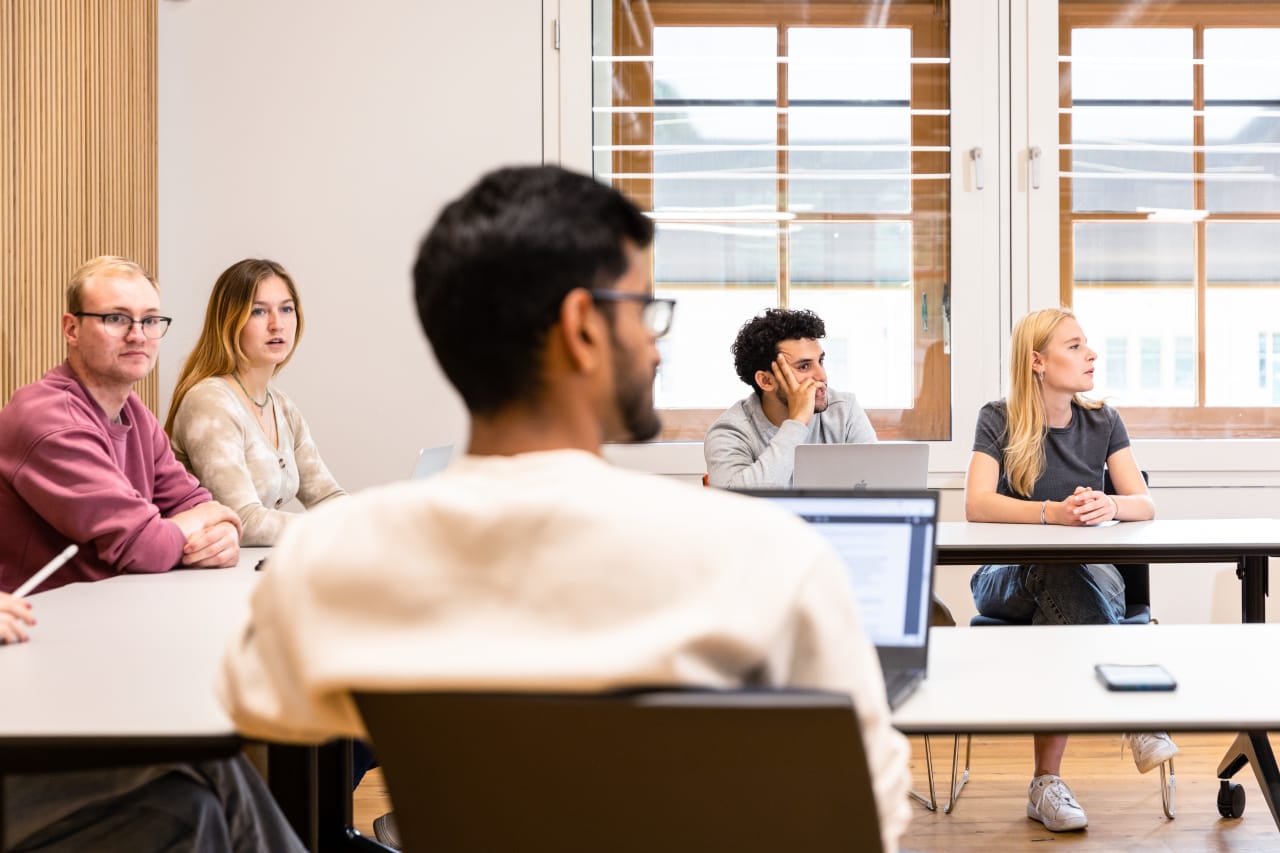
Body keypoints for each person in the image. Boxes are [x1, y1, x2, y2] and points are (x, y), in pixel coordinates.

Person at [217, 165, 912, 853]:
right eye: (645, 311)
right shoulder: (767, 560)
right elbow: (868, 814)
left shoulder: (331, 563)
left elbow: (253, 720)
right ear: (583, 326)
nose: (656, 344)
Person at [964, 307, 1177, 833]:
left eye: (1087, 345)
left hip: (1088, 576)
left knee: (1063, 591)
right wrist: (1051, 514)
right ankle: (1133, 713)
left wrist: (1109, 505)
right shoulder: (998, 417)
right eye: (1075, 346)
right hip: (1006, 577)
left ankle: (1045, 784)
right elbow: (976, 504)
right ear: (1038, 362)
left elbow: (1144, 505)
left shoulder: (1103, 419)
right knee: (1053, 562)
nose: (1092, 355)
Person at [0, 256, 241, 594]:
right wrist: (205, 520)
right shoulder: (49, 420)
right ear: (71, 329)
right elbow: (145, 548)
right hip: (41, 625)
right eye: (116, 318)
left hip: (118, 607)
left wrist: (224, 533)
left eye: (151, 320)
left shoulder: (133, 411)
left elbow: (193, 500)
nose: (138, 335)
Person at [166, 259, 346, 546]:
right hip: (200, 578)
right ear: (230, 321)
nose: (277, 324)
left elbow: (326, 496)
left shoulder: (281, 405)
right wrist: (334, 529)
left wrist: (372, 523)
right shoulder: (209, 400)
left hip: (242, 571)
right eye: (258, 311)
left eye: (286, 309)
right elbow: (244, 520)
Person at [704, 307, 877, 488]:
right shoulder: (730, 432)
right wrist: (797, 423)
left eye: (820, 361)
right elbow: (738, 503)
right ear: (766, 380)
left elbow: (878, 483)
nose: (822, 376)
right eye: (804, 366)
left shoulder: (844, 410)